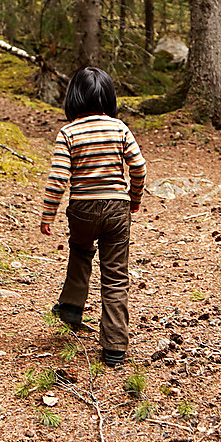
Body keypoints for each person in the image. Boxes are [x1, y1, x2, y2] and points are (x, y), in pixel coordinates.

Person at [40, 67, 147, 368]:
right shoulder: (120, 128)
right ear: (109, 98)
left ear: (73, 98)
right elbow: (138, 167)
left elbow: (58, 178)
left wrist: (49, 213)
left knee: (81, 252)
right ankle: (114, 347)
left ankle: (72, 308)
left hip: (82, 209)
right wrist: (134, 198)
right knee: (115, 276)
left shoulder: (69, 132)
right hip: (116, 208)